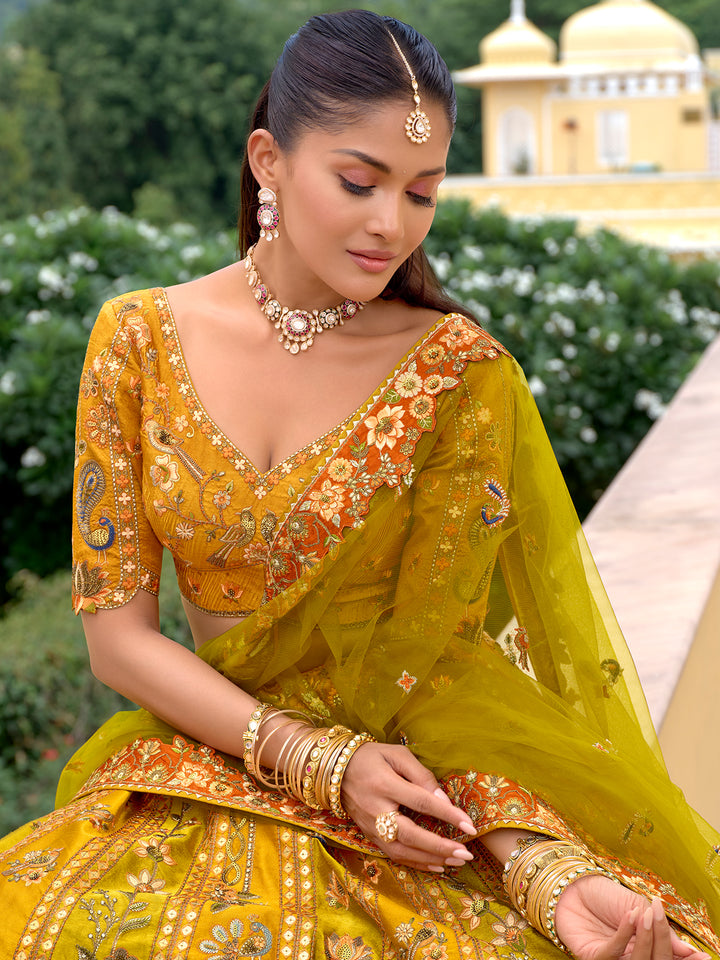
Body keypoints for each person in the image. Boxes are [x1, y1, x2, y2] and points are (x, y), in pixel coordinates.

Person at [0, 10, 718, 959]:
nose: (392, 225)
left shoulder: (455, 376)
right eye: (357, 181)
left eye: (422, 193)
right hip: (207, 765)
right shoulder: (136, 341)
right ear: (268, 160)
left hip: (410, 800)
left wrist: (541, 867)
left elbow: (457, 677)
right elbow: (119, 642)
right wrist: (309, 759)